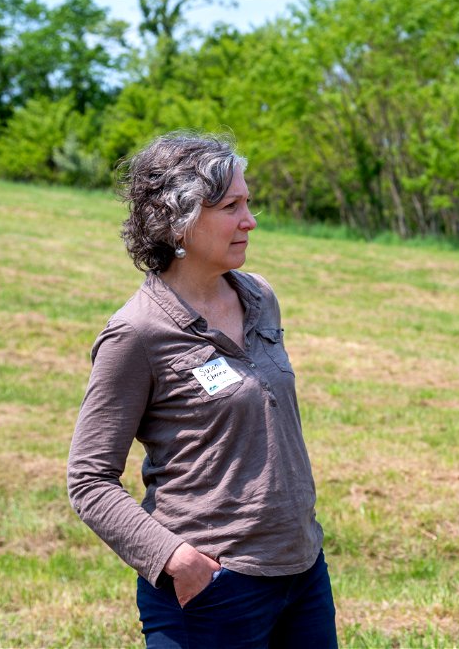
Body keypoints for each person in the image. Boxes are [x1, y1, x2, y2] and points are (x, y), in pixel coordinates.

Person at [67, 132, 337, 648]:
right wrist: (176, 560)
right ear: (179, 219)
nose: (250, 220)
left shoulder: (259, 296)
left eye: (248, 203)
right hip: (212, 591)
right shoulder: (137, 333)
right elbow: (89, 480)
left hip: (302, 572)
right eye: (231, 206)